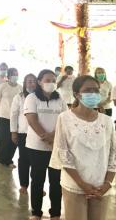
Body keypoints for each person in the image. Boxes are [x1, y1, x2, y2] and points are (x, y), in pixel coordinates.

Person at [50, 75, 116, 220]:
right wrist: (82, 184)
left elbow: (113, 155)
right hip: (74, 185)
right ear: (76, 94)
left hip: (101, 187)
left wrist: (107, 183)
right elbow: (63, 154)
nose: (93, 94)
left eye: (96, 90)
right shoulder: (65, 118)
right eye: (88, 90)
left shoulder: (107, 121)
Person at [24, 69, 66, 220]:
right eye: (47, 80)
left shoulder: (59, 98)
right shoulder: (32, 98)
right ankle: (36, 212)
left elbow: (64, 119)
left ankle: (55, 213)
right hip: (37, 147)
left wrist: (53, 137)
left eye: (53, 80)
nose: (51, 83)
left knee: (56, 181)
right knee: (37, 180)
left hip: (56, 146)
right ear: (40, 82)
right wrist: (46, 137)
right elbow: (32, 120)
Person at [10, 73, 37, 194]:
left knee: (38, 162)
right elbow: (13, 115)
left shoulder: (41, 97)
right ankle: (24, 185)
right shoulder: (19, 97)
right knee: (24, 160)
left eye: (33, 81)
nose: (31, 84)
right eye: (29, 81)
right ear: (25, 83)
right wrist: (13, 132)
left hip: (38, 134)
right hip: (23, 133)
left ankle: (38, 186)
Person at [0, 67, 22, 167]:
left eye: (17, 74)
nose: (15, 76)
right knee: (4, 139)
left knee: (14, 140)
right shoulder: (2, 86)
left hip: (16, 117)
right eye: (13, 74)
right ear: (9, 76)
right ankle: (2, 159)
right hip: (4, 116)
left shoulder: (20, 87)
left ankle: (9, 160)